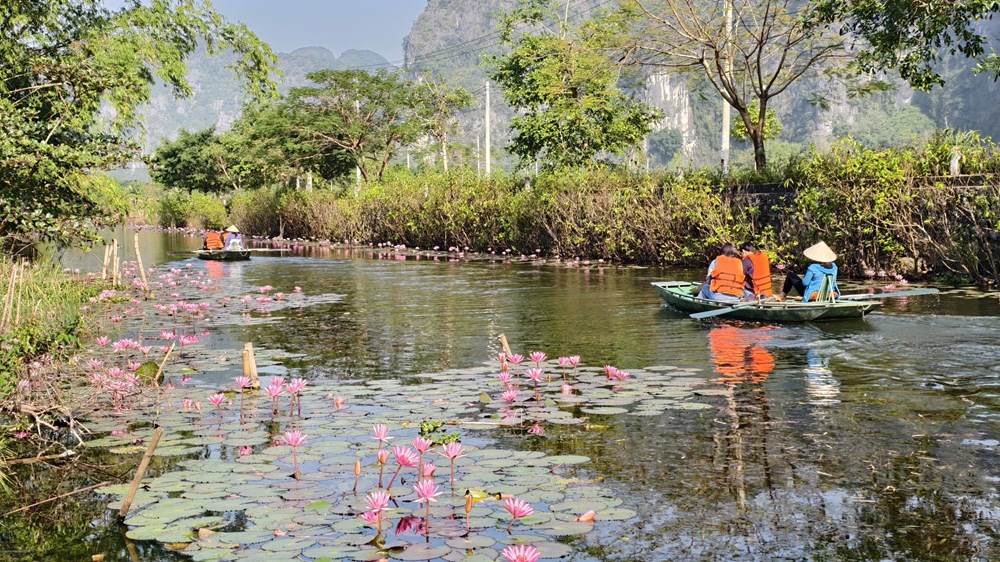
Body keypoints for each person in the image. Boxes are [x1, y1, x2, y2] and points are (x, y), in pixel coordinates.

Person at [775, 241, 840, 302]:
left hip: (812, 294)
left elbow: (805, 283)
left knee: (790, 275)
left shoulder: (813, 267)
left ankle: (782, 296)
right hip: (829, 293)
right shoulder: (834, 267)